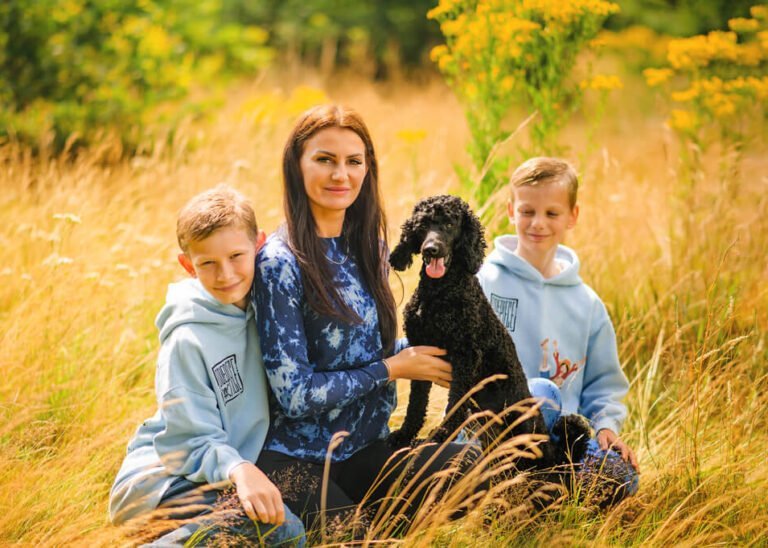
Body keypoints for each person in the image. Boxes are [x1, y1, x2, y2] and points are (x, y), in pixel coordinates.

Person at [253, 104, 480, 540]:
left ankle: (371, 522)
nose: (341, 174)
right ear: (297, 166)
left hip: (364, 449)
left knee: (476, 465)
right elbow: (295, 394)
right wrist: (391, 369)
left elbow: (368, 350)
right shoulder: (280, 263)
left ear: (367, 169)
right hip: (295, 460)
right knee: (357, 540)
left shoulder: (368, 247)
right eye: (325, 159)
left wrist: (441, 354)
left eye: (353, 161)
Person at [109, 186, 305, 546]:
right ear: (188, 266)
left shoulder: (268, 310)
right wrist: (240, 469)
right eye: (207, 264)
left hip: (218, 473)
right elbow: (188, 439)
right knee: (281, 531)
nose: (225, 274)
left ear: (259, 245)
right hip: (163, 482)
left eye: (236, 256)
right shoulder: (187, 338)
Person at [477, 157, 639, 507]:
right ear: (511, 211)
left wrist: (606, 426)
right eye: (527, 211)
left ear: (572, 216)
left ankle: (549, 489)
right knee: (541, 392)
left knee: (622, 474)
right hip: (496, 437)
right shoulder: (485, 282)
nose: (538, 223)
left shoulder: (587, 303)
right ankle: (521, 487)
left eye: (552, 213)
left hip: (565, 441)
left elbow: (603, 384)